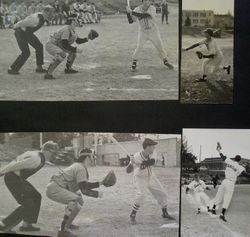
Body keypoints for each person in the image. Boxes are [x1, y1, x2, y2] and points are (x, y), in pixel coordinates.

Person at [0, 141, 58, 233]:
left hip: (18, 178)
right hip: (13, 179)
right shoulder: (36, 159)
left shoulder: (36, 154)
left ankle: (27, 224)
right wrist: (1, 172)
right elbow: (13, 165)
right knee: (27, 204)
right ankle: (4, 225)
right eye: (53, 153)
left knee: (36, 197)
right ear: (46, 151)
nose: (53, 155)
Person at [46, 148, 104, 237]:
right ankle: (63, 230)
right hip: (56, 188)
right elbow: (84, 190)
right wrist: (98, 194)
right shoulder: (80, 168)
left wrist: (100, 183)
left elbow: (84, 185)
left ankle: (68, 223)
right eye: (92, 157)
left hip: (55, 187)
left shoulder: (78, 165)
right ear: (87, 158)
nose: (93, 159)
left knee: (77, 196)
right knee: (77, 200)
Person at [129, 138, 175, 224]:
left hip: (151, 176)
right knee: (141, 195)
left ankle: (164, 213)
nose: (154, 147)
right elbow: (128, 171)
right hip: (140, 178)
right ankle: (132, 214)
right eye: (153, 146)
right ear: (147, 147)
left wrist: (142, 164)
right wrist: (131, 163)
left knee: (162, 193)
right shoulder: (136, 156)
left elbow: (151, 162)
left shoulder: (153, 153)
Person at [44, 13, 98, 79]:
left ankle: (68, 68)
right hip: (52, 44)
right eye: (77, 19)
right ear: (73, 21)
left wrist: (87, 38)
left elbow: (77, 40)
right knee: (62, 55)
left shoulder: (72, 29)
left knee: (73, 53)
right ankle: (48, 73)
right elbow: (65, 44)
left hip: (58, 44)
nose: (79, 20)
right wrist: (76, 49)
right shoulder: (67, 29)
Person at [126, 0, 174, 72]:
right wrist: (128, 13)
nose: (147, 2)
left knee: (160, 47)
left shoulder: (152, 8)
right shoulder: (137, 9)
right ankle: (134, 63)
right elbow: (131, 21)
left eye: (148, 1)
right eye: (145, 1)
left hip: (153, 31)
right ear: (142, 2)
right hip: (143, 32)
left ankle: (165, 61)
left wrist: (131, 12)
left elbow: (145, 15)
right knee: (139, 47)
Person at [7, 5, 54, 75]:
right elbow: (22, 22)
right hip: (20, 33)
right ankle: (12, 68)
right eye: (49, 12)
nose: (51, 14)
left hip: (27, 33)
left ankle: (39, 67)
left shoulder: (43, 18)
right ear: (45, 12)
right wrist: (14, 26)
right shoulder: (36, 18)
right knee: (26, 52)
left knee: (39, 46)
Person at [210, 143, 250, 222]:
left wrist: (218, 150)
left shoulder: (229, 161)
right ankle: (222, 214)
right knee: (227, 198)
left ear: (234, 158)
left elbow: (222, 156)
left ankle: (213, 209)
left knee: (219, 195)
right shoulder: (239, 167)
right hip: (231, 183)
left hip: (224, 181)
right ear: (239, 160)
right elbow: (246, 175)